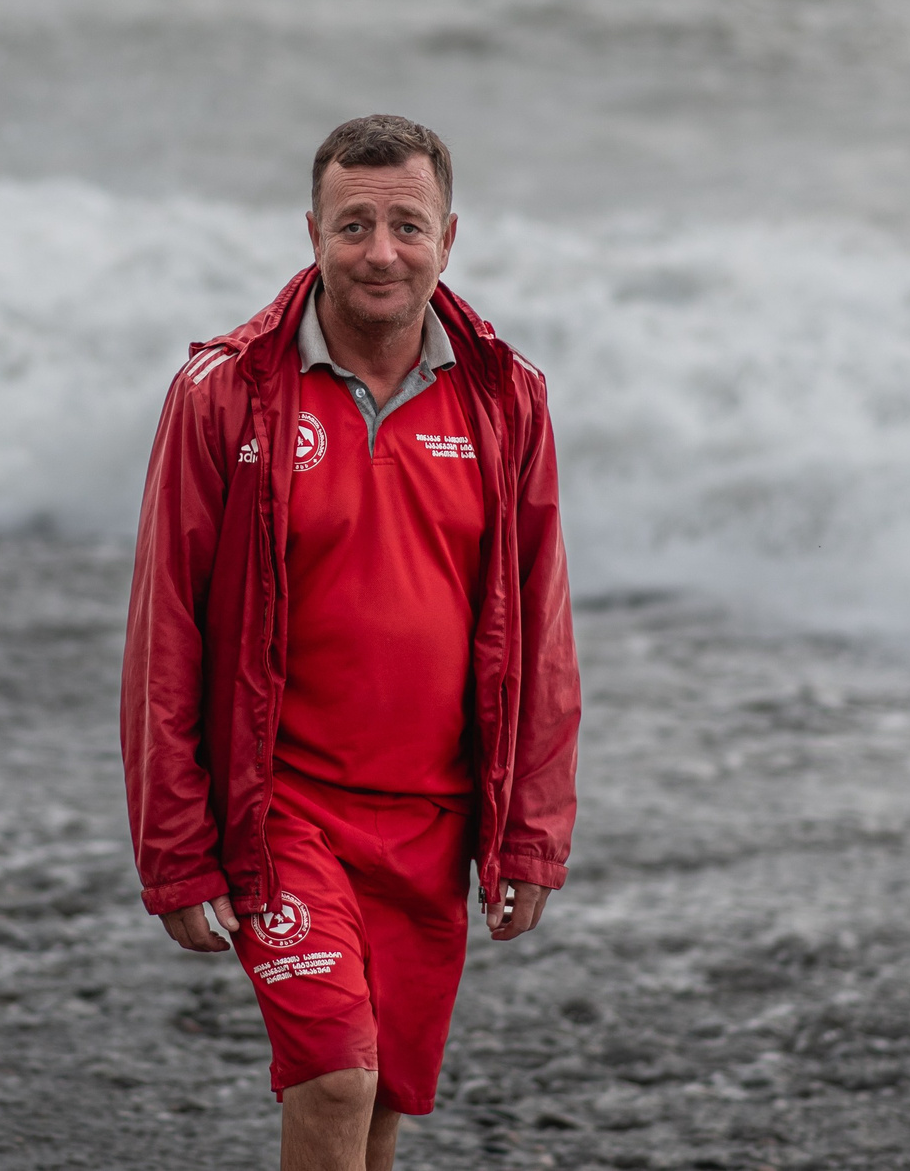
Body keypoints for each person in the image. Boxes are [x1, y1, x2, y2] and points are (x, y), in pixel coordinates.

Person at [120, 114, 581, 1171]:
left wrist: (531, 830)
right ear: (312, 231)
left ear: (448, 237)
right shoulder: (223, 392)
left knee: (381, 1104)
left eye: (406, 224)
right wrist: (176, 844)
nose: (381, 249)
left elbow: (540, 622)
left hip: (432, 814)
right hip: (282, 804)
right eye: (354, 223)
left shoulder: (507, 398)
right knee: (334, 1075)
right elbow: (166, 632)